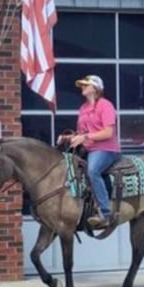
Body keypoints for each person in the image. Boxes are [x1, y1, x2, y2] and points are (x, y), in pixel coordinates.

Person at [57, 75, 121, 228]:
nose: (83, 87)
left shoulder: (106, 106)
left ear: (95, 89)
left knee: (93, 171)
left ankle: (105, 214)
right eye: (82, 85)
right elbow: (82, 134)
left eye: (86, 85)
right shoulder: (83, 108)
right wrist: (67, 138)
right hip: (88, 148)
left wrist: (84, 137)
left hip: (105, 149)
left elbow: (108, 133)